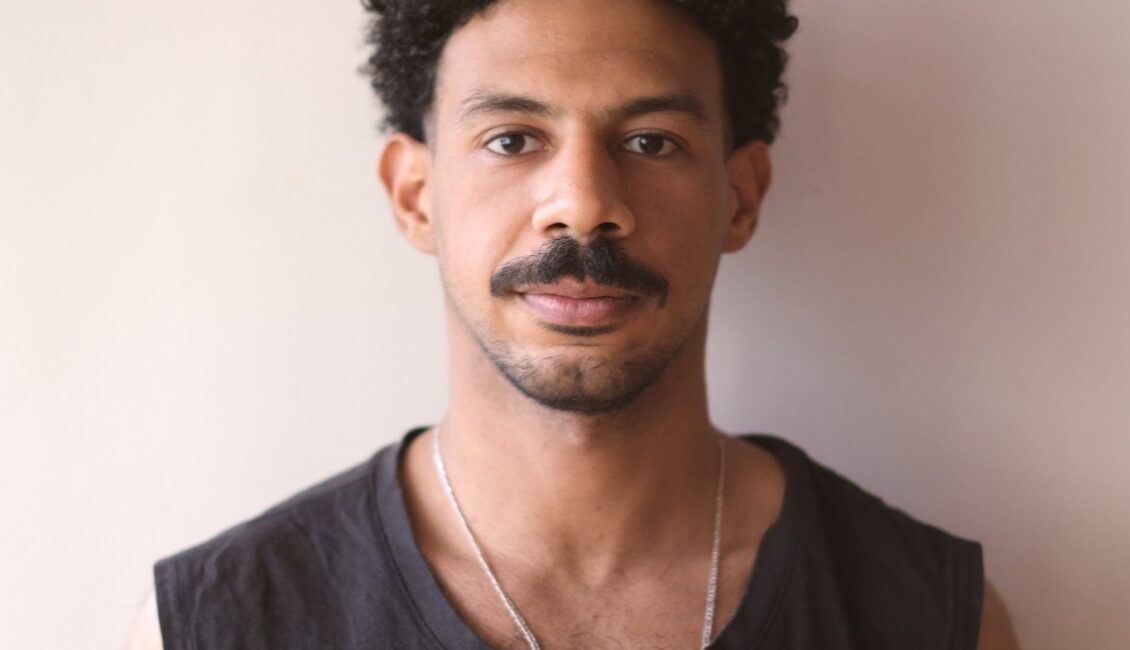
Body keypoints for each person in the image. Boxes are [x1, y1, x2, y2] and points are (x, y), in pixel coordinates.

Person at [129, 0, 1021, 647]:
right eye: (512, 139)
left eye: (651, 141)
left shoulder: (932, 618)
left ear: (740, 197)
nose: (584, 205)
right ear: (415, 195)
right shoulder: (215, 626)